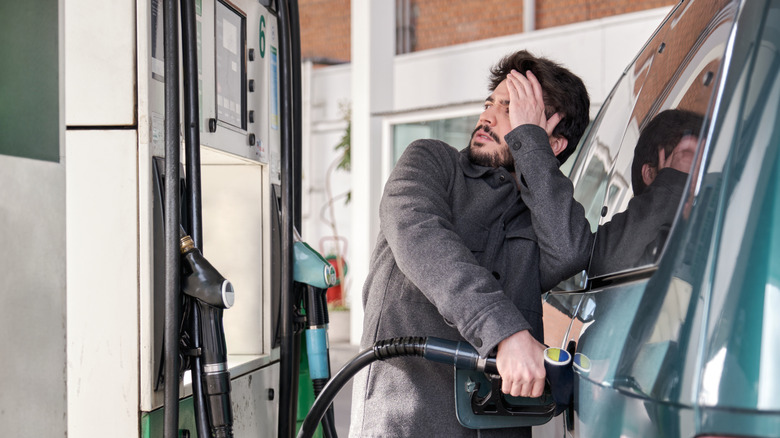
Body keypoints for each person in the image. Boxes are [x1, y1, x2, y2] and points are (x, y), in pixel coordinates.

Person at [349, 50, 592, 437]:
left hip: (499, 426)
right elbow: (420, 235)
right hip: (408, 422)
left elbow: (569, 251)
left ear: (553, 143)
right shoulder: (430, 160)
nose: (487, 117)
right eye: (489, 103)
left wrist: (530, 144)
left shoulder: (541, 215)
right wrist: (505, 332)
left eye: (511, 109)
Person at [589, 109, 704, 275]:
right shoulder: (641, 248)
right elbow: (608, 267)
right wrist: (671, 184)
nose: (697, 185)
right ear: (650, 174)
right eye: (687, 168)